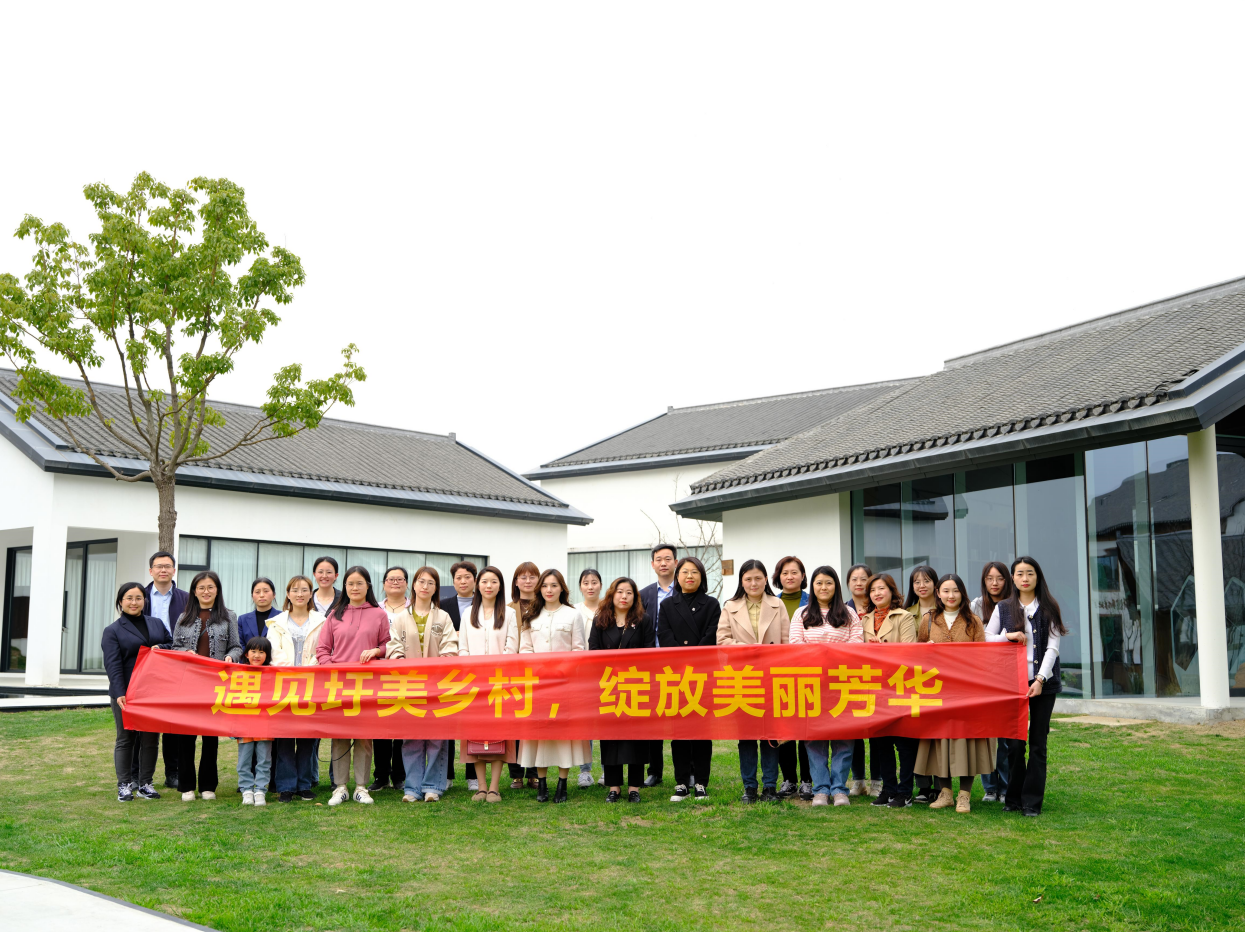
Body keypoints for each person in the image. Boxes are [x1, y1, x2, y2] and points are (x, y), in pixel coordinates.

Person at [986, 556, 1065, 817]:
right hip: (1011, 682)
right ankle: (1013, 798)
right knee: (1015, 744)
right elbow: (986, 637)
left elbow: (1053, 647)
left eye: (1030, 573)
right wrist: (1006, 636)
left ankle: (1032, 802)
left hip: (1044, 683)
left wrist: (1040, 679)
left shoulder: (1049, 607)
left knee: (1038, 743)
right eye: (1019, 574)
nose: (1025, 578)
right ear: (1013, 578)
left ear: (1037, 577)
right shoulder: (1004, 608)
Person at [914, 574, 994, 814]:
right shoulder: (928, 620)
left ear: (962, 593)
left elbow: (983, 657)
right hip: (936, 691)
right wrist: (925, 650)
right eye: (946, 591)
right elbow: (916, 654)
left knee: (967, 741)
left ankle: (964, 795)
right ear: (938, 593)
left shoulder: (973, 621)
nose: (951, 595)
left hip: (966, 691)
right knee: (940, 741)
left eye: (955, 591)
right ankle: (945, 793)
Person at [316, 565, 390, 806]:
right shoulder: (334, 615)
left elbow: (388, 645)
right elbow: (322, 649)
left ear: (368, 586)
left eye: (360, 583)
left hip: (368, 684)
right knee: (339, 735)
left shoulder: (379, 614)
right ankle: (340, 787)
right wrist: (332, 669)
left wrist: (376, 651)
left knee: (364, 737)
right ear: (344, 587)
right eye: (350, 584)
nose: (355, 588)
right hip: (339, 684)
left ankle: (361, 787)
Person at [790, 566, 862, 807]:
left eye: (829, 583)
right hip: (812, 684)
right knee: (814, 738)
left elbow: (856, 644)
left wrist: (826, 654)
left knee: (844, 738)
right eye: (819, 583)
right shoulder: (801, 614)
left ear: (836, 586)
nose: (824, 587)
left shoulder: (849, 614)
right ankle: (820, 789)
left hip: (843, 683)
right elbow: (795, 645)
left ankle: (839, 789)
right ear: (812, 586)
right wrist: (826, 654)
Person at [718, 559, 789, 802]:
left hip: (772, 676)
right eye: (748, 579)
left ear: (766, 579)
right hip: (743, 676)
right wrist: (747, 648)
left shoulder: (778, 604)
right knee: (747, 734)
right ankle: (749, 787)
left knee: (770, 734)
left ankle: (769, 786)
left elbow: (786, 642)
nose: (753, 583)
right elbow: (722, 640)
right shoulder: (730, 606)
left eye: (758, 578)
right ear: (741, 581)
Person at [387, 566, 459, 802]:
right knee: (411, 737)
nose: (425, 586)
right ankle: (412, 788)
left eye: (430, 582)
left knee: (437, 736)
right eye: (421, 581)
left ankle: (433, 787)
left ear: (436, 588)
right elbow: (393, 645)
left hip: (438, 685)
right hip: (409, 685)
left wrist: (440, 666)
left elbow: (450, 646)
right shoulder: (401, 617)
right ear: (413, 585)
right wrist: (400, 662)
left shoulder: (443, 617)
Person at [170, 570, 243, 802]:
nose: (206, 591)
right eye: (201, 587)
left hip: (215, 684)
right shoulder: (183, 618)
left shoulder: (228, 616)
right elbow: (174, 647)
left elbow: (236, 646)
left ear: (217, 590)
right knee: (186, 736)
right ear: (194, 591)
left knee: (210, 738)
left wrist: (230, 657)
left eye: (210, 587)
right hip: (188, 685)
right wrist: (185, 652)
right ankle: (186, 786)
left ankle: (208, 786)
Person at [519, 569, 587, 802]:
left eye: (554, 585)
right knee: (540, 734)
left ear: (562, 589)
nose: (549, 590)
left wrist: (561, 671)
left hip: (564, 684)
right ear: (540, 589)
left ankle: (562, 783)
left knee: (562, 734)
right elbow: (525, 649)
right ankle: (542, 783)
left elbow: (579, 649)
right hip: (538, 684)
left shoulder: (573, 614)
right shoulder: (531, 615)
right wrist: (540, 670)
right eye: (545, 585)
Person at [656, 556, 720, 801]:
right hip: (676, 675)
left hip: (703, 674)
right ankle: (681, 782)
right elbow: (664, 635)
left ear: (702, 576)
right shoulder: (667, 605)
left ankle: (701, 782)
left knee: (703, 731)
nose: (689, 576)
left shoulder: (712, 604)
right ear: (677, 576)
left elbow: (711, 636)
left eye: (694, 572)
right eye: (684, 572)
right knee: (679, 731)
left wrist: (694, 658)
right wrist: (683, 660)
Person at [102, 581, 172, 802]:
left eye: (138, 598)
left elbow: (172, 644)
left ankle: (145, 784)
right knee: (126, 739)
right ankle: (124, 785)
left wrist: (161, 647)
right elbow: (112, 665)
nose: (134, 602)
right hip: (127, 692)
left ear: (145, 600)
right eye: (129, 598)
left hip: (153, 691)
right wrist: (119, 692)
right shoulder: (112, 630)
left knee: (151, 739)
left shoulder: (156, 623)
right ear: (120, 602)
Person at [589, 577, 656, 803]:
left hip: (636, 685)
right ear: (612, 594)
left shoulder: (643, 620)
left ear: (635, 597)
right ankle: (614, 787)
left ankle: (634, 787)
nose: (624, 596)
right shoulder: (600, 620)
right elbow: (593, 651)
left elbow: (649, 652)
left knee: (636, 738)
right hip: (609, 687)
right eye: (620, 592)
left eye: (629, 592)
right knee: (611, 738)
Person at [457, 566, 518, 803]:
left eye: (493, 581)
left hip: (499, 682)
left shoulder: (509, 614)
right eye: (484, 581)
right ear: (478, 585)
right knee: (475, 734)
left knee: (499, 735)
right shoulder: (467, 613)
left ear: (500, 586)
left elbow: (511, 647)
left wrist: (495, 671)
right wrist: (473, 672)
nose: (488, 586)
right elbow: (462, 647)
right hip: (473, 683)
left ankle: (494, 787)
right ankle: (481, 786)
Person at [861, 572, 918, 809]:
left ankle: (905, 792)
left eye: (882, 588)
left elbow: (910, 650)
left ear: (892, 591)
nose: (877, 593)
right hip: (874, 686)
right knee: (880, 742)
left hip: (899, 684)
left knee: (904, 742)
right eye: (873, 590)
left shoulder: (904, 616)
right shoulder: (864, 619)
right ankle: (888, 789)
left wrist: (883, 649)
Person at [267, 575, 325, 802]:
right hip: (284, 686)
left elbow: (323, 650)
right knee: (284, 738)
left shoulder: (322, 621)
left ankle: (304, 784)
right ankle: (286, 786)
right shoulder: (276, 622)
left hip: (312, 685)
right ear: (288, 594)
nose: (299, 594)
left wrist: (309, 670)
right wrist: (292, 673)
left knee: (307, 737)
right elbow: (274, 652)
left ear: (311, 594)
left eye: (304, 590)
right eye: (295, 590)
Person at [142, 550, 188, 789]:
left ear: (174, 570)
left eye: (167, 566)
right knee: (145, 721)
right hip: (145, 663)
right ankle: (140, 774)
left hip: (176, 663)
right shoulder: (139, 596)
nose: (163, 570)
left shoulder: (186, 598)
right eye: (158, 566)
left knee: (173, 721)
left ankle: (173, 772)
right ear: (151, 571)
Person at [972, 560, 1014, 802]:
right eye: (989, 578)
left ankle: (1006, 787)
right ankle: (990, 787)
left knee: (1005, 737)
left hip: (1007, 675)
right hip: (982, 675)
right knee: (985, 734)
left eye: (999, 578)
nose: (995, 583)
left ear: (1007, 580)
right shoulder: (976, 605)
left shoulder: (1014, 605)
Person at [773, 556, 812, 800]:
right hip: (779, 671)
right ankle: (789, 779)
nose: (790, 576)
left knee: (806, 728)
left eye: (794, 572)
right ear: (779, 577)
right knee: (784, 726)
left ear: (803, 576)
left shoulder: (813, 602)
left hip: (806, 670)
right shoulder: (772, 603)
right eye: (785, 572)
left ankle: (807, 780)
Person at [638, 543, 677, 787]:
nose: (663, 563)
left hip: (680, 666)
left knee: (681, 718)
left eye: (668, 559)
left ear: (676, 563)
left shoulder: (685, 590)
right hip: (651, 665)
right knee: (653, 719)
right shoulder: (643, 595)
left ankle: (688, 769)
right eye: (659, 559)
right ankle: (654, 771)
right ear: (652, 564)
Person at [369, 565, 410, 794]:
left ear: (407, 584)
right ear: (384, 583)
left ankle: (400, 776)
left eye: (400, 579)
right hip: (379, 674)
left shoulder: (414, 608)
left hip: (407, 674)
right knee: (380, 726)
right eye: (391, 579)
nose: (395, 582)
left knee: (403, 726)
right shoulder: (374, 608)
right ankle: (381, 775)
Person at [903, 564, 940, 803]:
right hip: (914, 680)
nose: (922, 586)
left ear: (935, 584)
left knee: (938, 735)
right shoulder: (905, 612)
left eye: (926, 581)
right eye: (917, 582)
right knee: (917, 734)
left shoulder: (947, 609)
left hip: (940, 678)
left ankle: (942, 784)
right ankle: (923, 786)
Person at [441, 561, 478, 791]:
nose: (463, 581)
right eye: (458, 578)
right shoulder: (443, 605)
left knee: (472, 724)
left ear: (474, 579)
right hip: (449, 672)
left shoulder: (483, 604)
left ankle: (473, 775)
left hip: (475, 672)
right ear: (453, 581)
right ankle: (447, 774)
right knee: (448, 724)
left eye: (467, 577)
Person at [507, 562, 542, 790]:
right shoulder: (507, 608)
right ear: (516, 582)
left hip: (539, 673)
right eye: (523, 577)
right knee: (515, 724)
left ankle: (535, 772)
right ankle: (516, 774)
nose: (527, 581)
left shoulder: (544, 606)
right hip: (513, 673)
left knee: (535, 724)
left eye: (532, 577)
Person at [843, 563, 877, 797]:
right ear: (848, 583)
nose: (858, 583)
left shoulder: (880, 607)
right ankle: (858, 781)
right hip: (851, 675)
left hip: (877, 676)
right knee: (854, 730)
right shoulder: (842, 610)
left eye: (863, 578)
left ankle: (877, 781)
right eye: (854, 579)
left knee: (876, 730)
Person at [236, 636, 275, 806]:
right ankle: (246, 789)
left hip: (265, 724)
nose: (257, 655)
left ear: (267, 655)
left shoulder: (273, 673)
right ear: (246, 654)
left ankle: (260, 790)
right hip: (244, 724)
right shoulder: (239, 672)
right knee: (244, 760)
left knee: (264, 759)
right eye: (253, 651)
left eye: (261, 652)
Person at [575, 568, 604, 788]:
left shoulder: (608, 609)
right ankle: (584, 771)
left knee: (604, 722)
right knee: (584, 724)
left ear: (601, 585)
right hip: (581, 674)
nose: (590, 587)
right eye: (586, 583)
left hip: (604, 673)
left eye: (594, 582)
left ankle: (606, 769)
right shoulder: (574, 610)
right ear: (580, 587)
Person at [237, 577, 278, 644]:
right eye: (257, 592)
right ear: (252, 596)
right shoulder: (242, 619)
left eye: (266, 591)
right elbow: (239, 644)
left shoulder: (282, 617)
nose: (261, 595)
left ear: (274, 595)